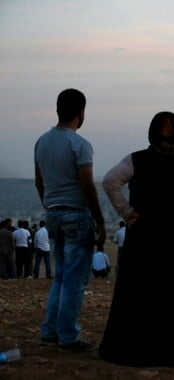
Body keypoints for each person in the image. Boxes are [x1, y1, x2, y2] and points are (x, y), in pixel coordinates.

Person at [99, 111, 174, 367]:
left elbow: (109, 181)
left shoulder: (136, 160)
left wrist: (127, 212)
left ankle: (137, 349)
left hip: (144, 239)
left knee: (142, 292)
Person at [35, 88, 106, 352]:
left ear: (57, 110)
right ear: (81, 112)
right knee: (74, 280)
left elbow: (38, 182)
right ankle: (68, 336)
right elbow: (87, 186)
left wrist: (49, 205)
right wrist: (99, 220)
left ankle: (49, 330)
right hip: (76, 214)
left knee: (61, 276)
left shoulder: (41, 142)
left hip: (52, 212)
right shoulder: (80, 144)